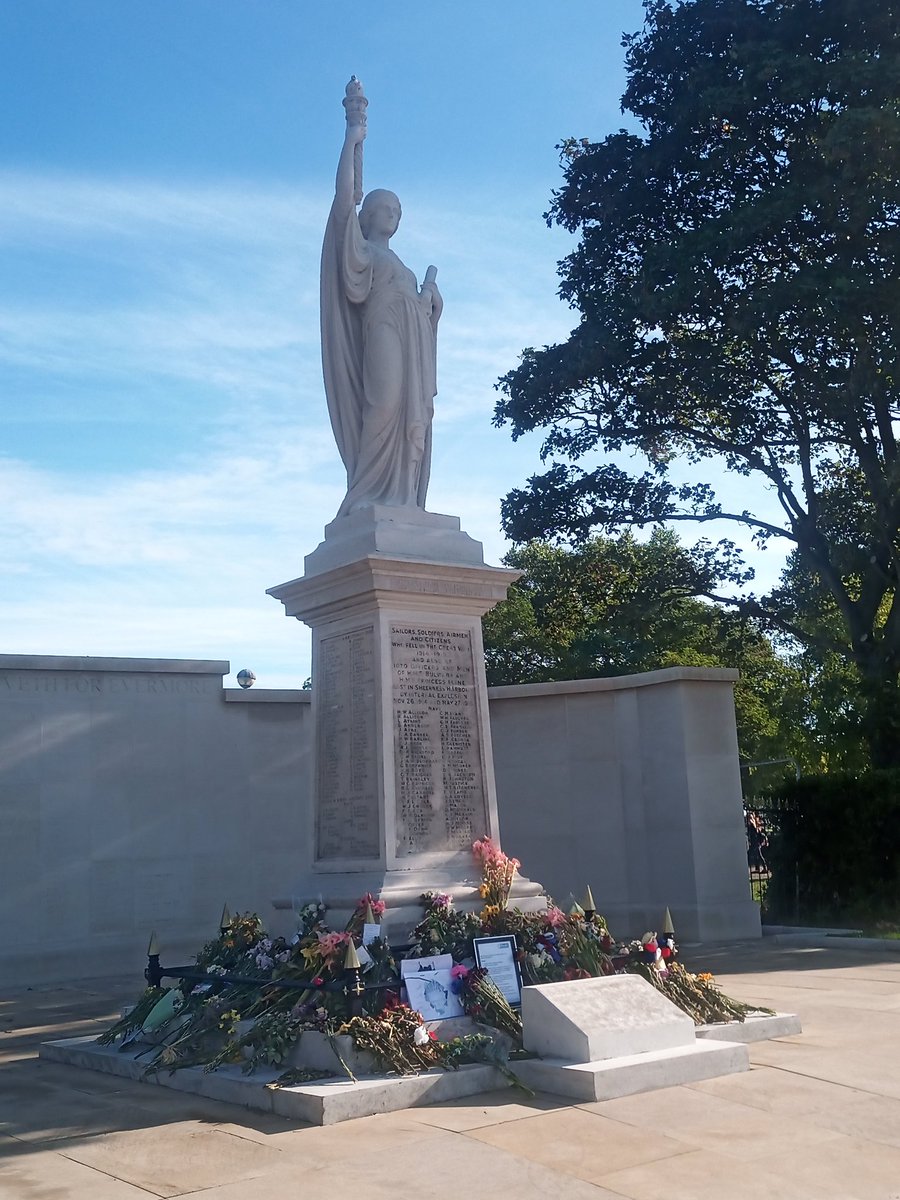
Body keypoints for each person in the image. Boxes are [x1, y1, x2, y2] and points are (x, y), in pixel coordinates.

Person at [320, 85, 442, 518]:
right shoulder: (364, 251)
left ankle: (403, 499)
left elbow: (425, 312)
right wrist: (352, 138)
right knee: (385, 403)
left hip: (412, 338)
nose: (393, 213)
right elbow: (342, 205)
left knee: (414, 415)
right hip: (384, 327)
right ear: (368, 215)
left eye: (398, 209)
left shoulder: (402, 265)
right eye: (385, 207)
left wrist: (431, 304)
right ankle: (367, 492)